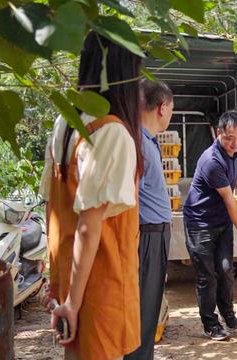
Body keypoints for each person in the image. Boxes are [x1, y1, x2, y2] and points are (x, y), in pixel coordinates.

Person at [40, 31, 143, 359]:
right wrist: (73, 303)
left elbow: (51, 205)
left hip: (73, 280)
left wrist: (56, 280)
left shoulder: (65, 122)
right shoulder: (112, 133)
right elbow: (88, 224)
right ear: (126, 74)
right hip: (100, 287)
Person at [183, 111, 237, 341]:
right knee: (208, 276)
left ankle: (228, 313)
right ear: (218, 134)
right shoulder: (211, 160)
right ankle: (210, 324)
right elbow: (229, 200)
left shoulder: (231, 152)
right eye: (230, 137)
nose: (235, 144)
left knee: (226, 270)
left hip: (221, 222)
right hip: (200, 223)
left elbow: (230, 178)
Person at [124, 80, 174, 360]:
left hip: (155, 235)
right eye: (171, 110)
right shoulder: (139, 143)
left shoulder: (148, 142)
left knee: (150, 306)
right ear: (162, 107)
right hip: (146, 236)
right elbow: (129, 198)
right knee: (142, 311)